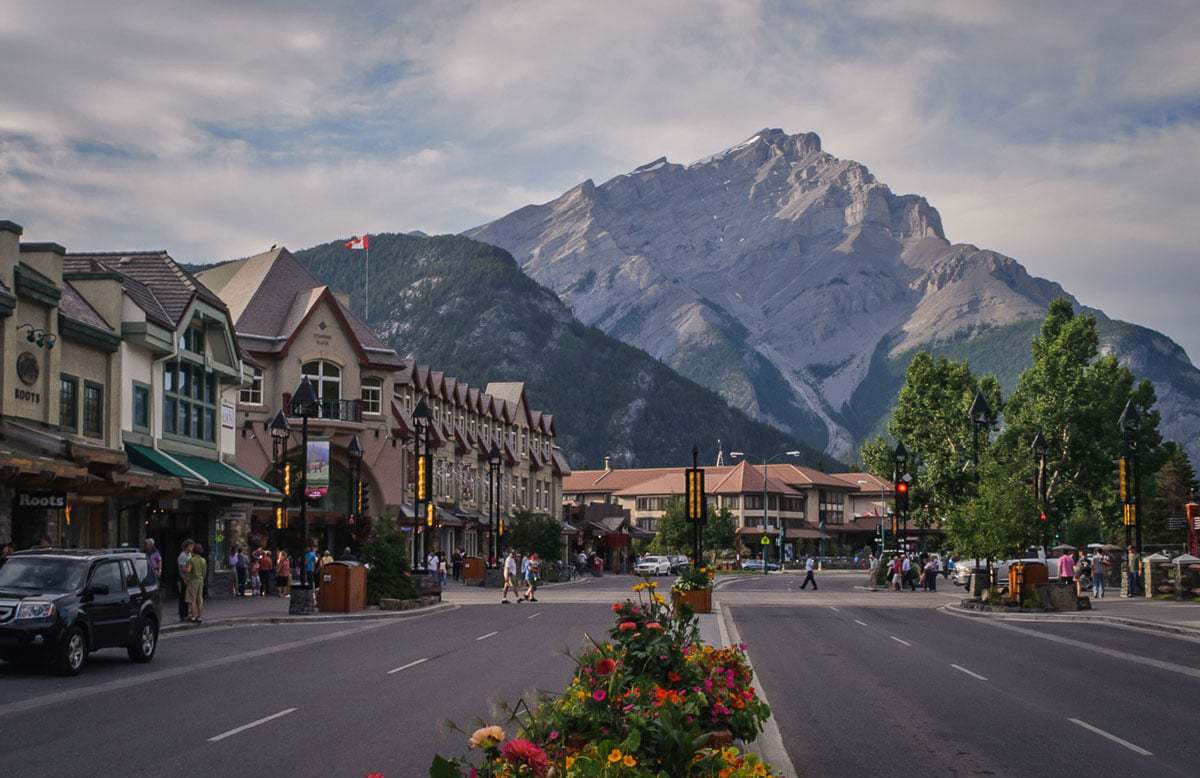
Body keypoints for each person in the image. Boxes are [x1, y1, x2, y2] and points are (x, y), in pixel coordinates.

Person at [185, 543, 207, 623]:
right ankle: (199, 616)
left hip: (193, 580)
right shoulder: (203, 560)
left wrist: (186, 577)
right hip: (201, 580)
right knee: (199, 599)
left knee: (192, 599)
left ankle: (194, 616)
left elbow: (188, 571)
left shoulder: (191, 560)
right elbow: (204, 572)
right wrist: (202, 578)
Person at [176, 539, 194, 621]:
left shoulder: (189, 554)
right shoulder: (182, 555)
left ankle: (187, 614)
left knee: (187, 597)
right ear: (186, 546)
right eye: (190, 546)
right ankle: (182, 615)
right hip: (183, 578)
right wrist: (190, 568)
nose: (192, 548)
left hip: (188, 578)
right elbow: (183, 569)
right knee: (182, 597)